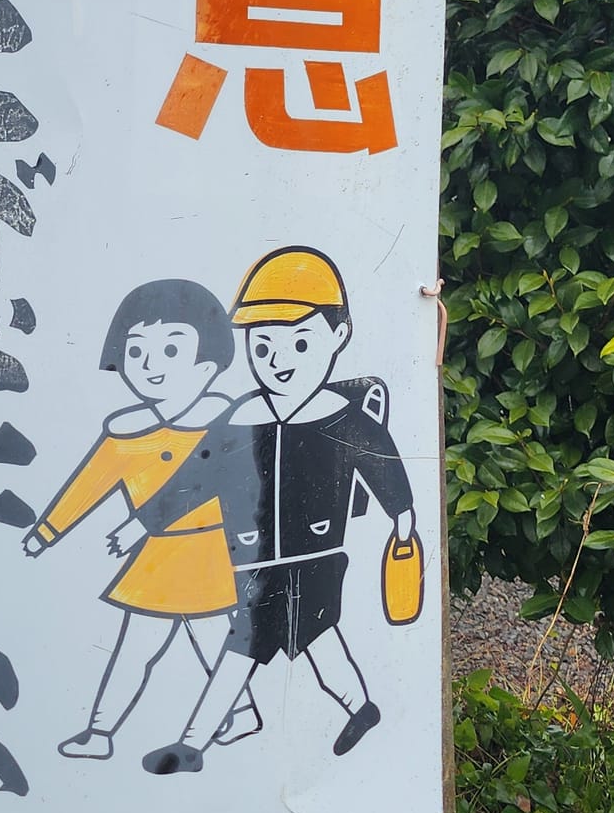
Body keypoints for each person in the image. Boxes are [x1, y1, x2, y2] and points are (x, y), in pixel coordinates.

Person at [109, 246, 418, 773]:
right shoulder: (240, 418)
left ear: (338, 336)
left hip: (316, 559)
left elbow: (384, 465)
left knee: (280, 646)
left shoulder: (342, 418)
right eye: (263, 346)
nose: (279, 360)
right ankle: (351, 709)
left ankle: (195, 744)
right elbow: (195, 477)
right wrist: (144, 522)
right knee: (269, 648)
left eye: (300, 342)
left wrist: (403, 519)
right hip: (254, 561)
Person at [23, 277, 259, 759]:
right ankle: (101, 732)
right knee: (138, 648)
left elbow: (231, 489)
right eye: (136, 350)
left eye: (171, 350)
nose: (150, 365)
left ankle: (237, 713)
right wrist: (47, 531)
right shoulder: (127, 432)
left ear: (209, 362)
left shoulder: (227, 426)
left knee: (214, 642)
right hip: (157, 561)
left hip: (212, 554)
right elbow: (88, 485)